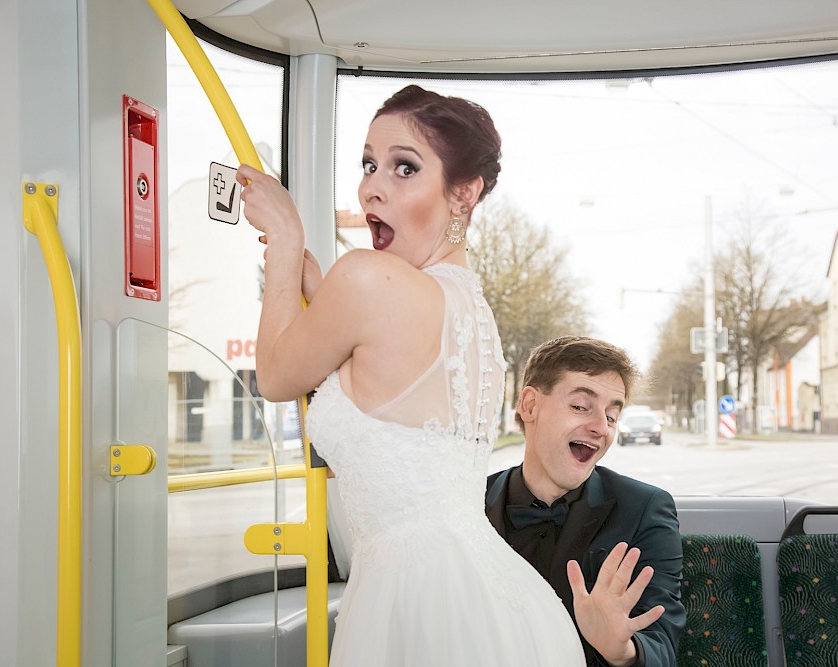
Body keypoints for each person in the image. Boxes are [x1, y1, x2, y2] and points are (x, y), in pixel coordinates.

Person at [236, 85, 587, 666]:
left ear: (464, 193)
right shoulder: (473, 311)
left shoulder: (370, 279)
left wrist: (285, 244)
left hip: (414, 601)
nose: (373, 185)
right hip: (497, 601)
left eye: (404, 168)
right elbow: (384, 388)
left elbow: (274, 376)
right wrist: (322, 292)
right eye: (369, 164)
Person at [486, 336, 686, 667]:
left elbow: (662, 648)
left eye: (611, 416)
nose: (600, 428)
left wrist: (622, 651)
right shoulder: (468, 506)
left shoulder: (645, 509)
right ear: (530, 405)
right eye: (581, 406)